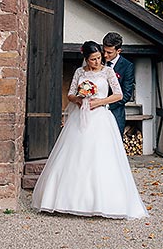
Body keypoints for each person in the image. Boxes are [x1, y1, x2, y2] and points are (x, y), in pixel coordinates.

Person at [31, 40, 148, 219]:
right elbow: (70, 94)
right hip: (80, 116)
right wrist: (79, 99)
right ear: (85, 59)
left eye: (99, 58)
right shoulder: (80, 72)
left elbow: (119, 94)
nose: (97, 62)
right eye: (93, 59)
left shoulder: (108, 71)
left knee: (100, 156)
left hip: (100, 116)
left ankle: (104, 202)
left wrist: (99, 102)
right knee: (75, 155)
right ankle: (67, 201)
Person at [102, 32, 134, 136]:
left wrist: (106, 105)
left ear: (118, 51)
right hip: (95, 113)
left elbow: (126, 95)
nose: (105, 55)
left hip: (115, 112)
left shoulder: (127, 66)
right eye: (104, 51)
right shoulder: (98, 61)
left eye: (109, 52)